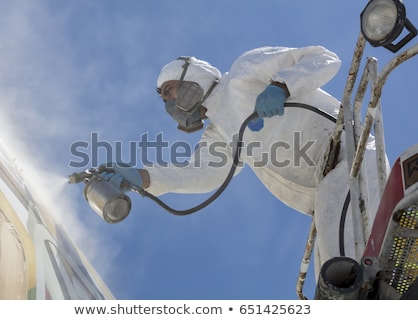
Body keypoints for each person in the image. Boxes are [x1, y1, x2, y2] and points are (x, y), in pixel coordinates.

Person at [100, 46, 387, 280]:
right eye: (164, 99)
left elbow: (324, 58)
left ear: (192, 76)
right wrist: (141, 178)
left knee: (348, 276)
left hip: (352, 160)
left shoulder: (244, 72)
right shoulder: (219, 135)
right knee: (334, 285)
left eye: (169, 90)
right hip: (326, 195)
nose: (169, 103)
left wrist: (281, 86)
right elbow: (198, 175)